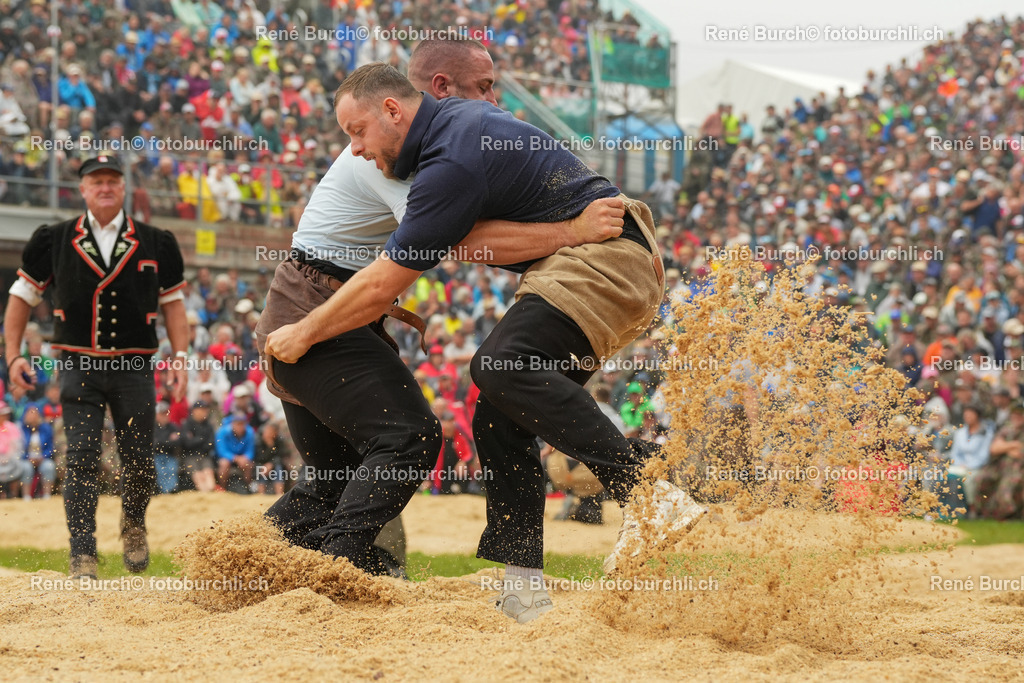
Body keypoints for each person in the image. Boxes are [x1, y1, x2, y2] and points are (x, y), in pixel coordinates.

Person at [266, 63, 705, 623]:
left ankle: (647, 493)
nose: (355, 147)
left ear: (398, 109)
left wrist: (302, 331)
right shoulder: (443, 145)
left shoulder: (448, 156)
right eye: (485, 89)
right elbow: (461, 240)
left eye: (357, 132)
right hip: (598, 258)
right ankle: (523, 589)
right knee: (497, 411)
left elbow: (391, 277)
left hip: (603, 256)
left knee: (499, 367)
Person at [4, 154, 188, 579]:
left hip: (135, 367)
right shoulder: (54, 238)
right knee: (82, 458)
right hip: (78, 366)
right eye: (96, 181)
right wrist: (13, 355)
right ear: (83, 190)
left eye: (112, 181)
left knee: (139, 458)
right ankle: (82, 552)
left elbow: (174, 306)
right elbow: (21, 298)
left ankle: (134, 525)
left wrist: (179, 358)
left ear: (123, 187)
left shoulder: (157, 240)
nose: (105, 188)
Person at [179, 400, 217, 492]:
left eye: (205, 410)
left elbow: (211, 444)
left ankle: (209, 495)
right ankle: (205, 494)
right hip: (190, 456)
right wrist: (201, 439)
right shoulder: (187, 424)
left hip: (205, 456)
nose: (204, 412)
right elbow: (187, 443)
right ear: (194, 411)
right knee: (198, 475)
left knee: (208, 473)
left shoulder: (208, 425)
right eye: (202, 410)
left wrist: (195, 439)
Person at [215, 410, 255, 491]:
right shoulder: (222, 432)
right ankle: (223, 489)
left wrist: (245, 458)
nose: (240, 427)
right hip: (227, 458)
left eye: (242, 424)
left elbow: (250, 451)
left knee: (248, 464)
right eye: (238, 424)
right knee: (224, 464)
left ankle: (248, 489)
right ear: (232, 424)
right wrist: (236, 458)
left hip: (242, 458)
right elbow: (221, 451)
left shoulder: (250, 432)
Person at [0, 401, 25, 499]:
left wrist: (8, 457)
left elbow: (17, 446)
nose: (4, 417)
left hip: (11, 458)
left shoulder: (12, 427)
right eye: (2, 414)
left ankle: (13, 495)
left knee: (18, 465)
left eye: (6, 414)